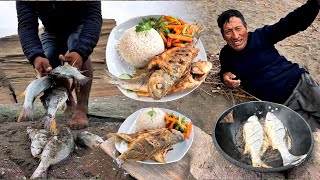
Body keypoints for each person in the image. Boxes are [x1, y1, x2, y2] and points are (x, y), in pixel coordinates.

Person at [217, 0, 320, 131]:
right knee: (314, 134)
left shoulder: (262, 36)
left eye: (238, 29)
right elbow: (224, 72)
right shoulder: (226, 55)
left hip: (302, 85)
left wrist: (314, 4)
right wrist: (225, 77)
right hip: (283, 107)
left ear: (246, 28)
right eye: (228, 31)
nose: (235, 36)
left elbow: (291, 23)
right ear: (223, 36)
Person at [16, 1, 102, 129]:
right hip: (51, 31)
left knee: (77, 47)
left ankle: (82, 108)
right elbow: (26, 24)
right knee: (50, 59)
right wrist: (36, 56)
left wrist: (80, 51)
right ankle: (69, 102)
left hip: (79, 25)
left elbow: (93, 17)